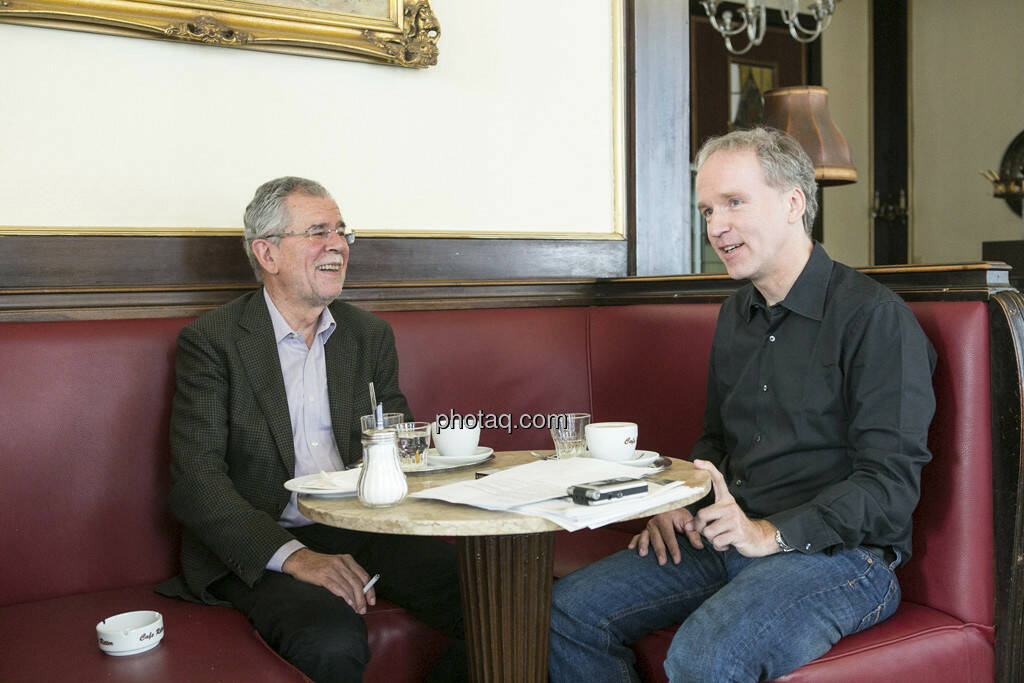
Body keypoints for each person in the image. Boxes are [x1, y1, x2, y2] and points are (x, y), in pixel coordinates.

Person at [548, 128, 937, 683]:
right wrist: (681, 501)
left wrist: (769, 534)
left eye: (733, 203)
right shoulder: (736, 314)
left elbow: (889, 487)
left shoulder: (875, 318)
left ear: (793, 203)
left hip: (842, 558)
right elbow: (716, 441)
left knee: (705, 654)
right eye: (707, 209)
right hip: (728, 534)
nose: (716, 226)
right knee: (567, 612)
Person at [156, 176, 466, 682]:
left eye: (342, 231)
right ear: (267, 253)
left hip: (362, 526)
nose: (338, 245)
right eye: (318, 231)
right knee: (331, 641)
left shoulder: (367, 335)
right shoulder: (212, 341)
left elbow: (398, 440)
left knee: (496, 598)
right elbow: (196, 482)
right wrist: (298, 558)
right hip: (263, 537)